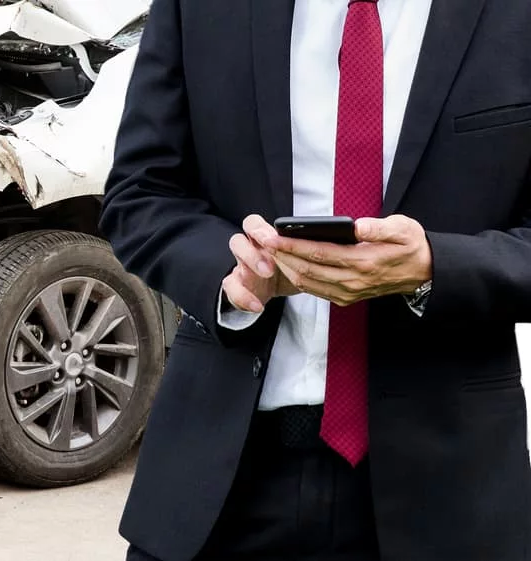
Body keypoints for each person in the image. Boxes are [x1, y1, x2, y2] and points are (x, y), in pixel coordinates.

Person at [100, 1, 531, 560]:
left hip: (451, 493)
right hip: (219, 486)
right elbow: (141, 193)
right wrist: (229, 273)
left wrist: (434, 267)